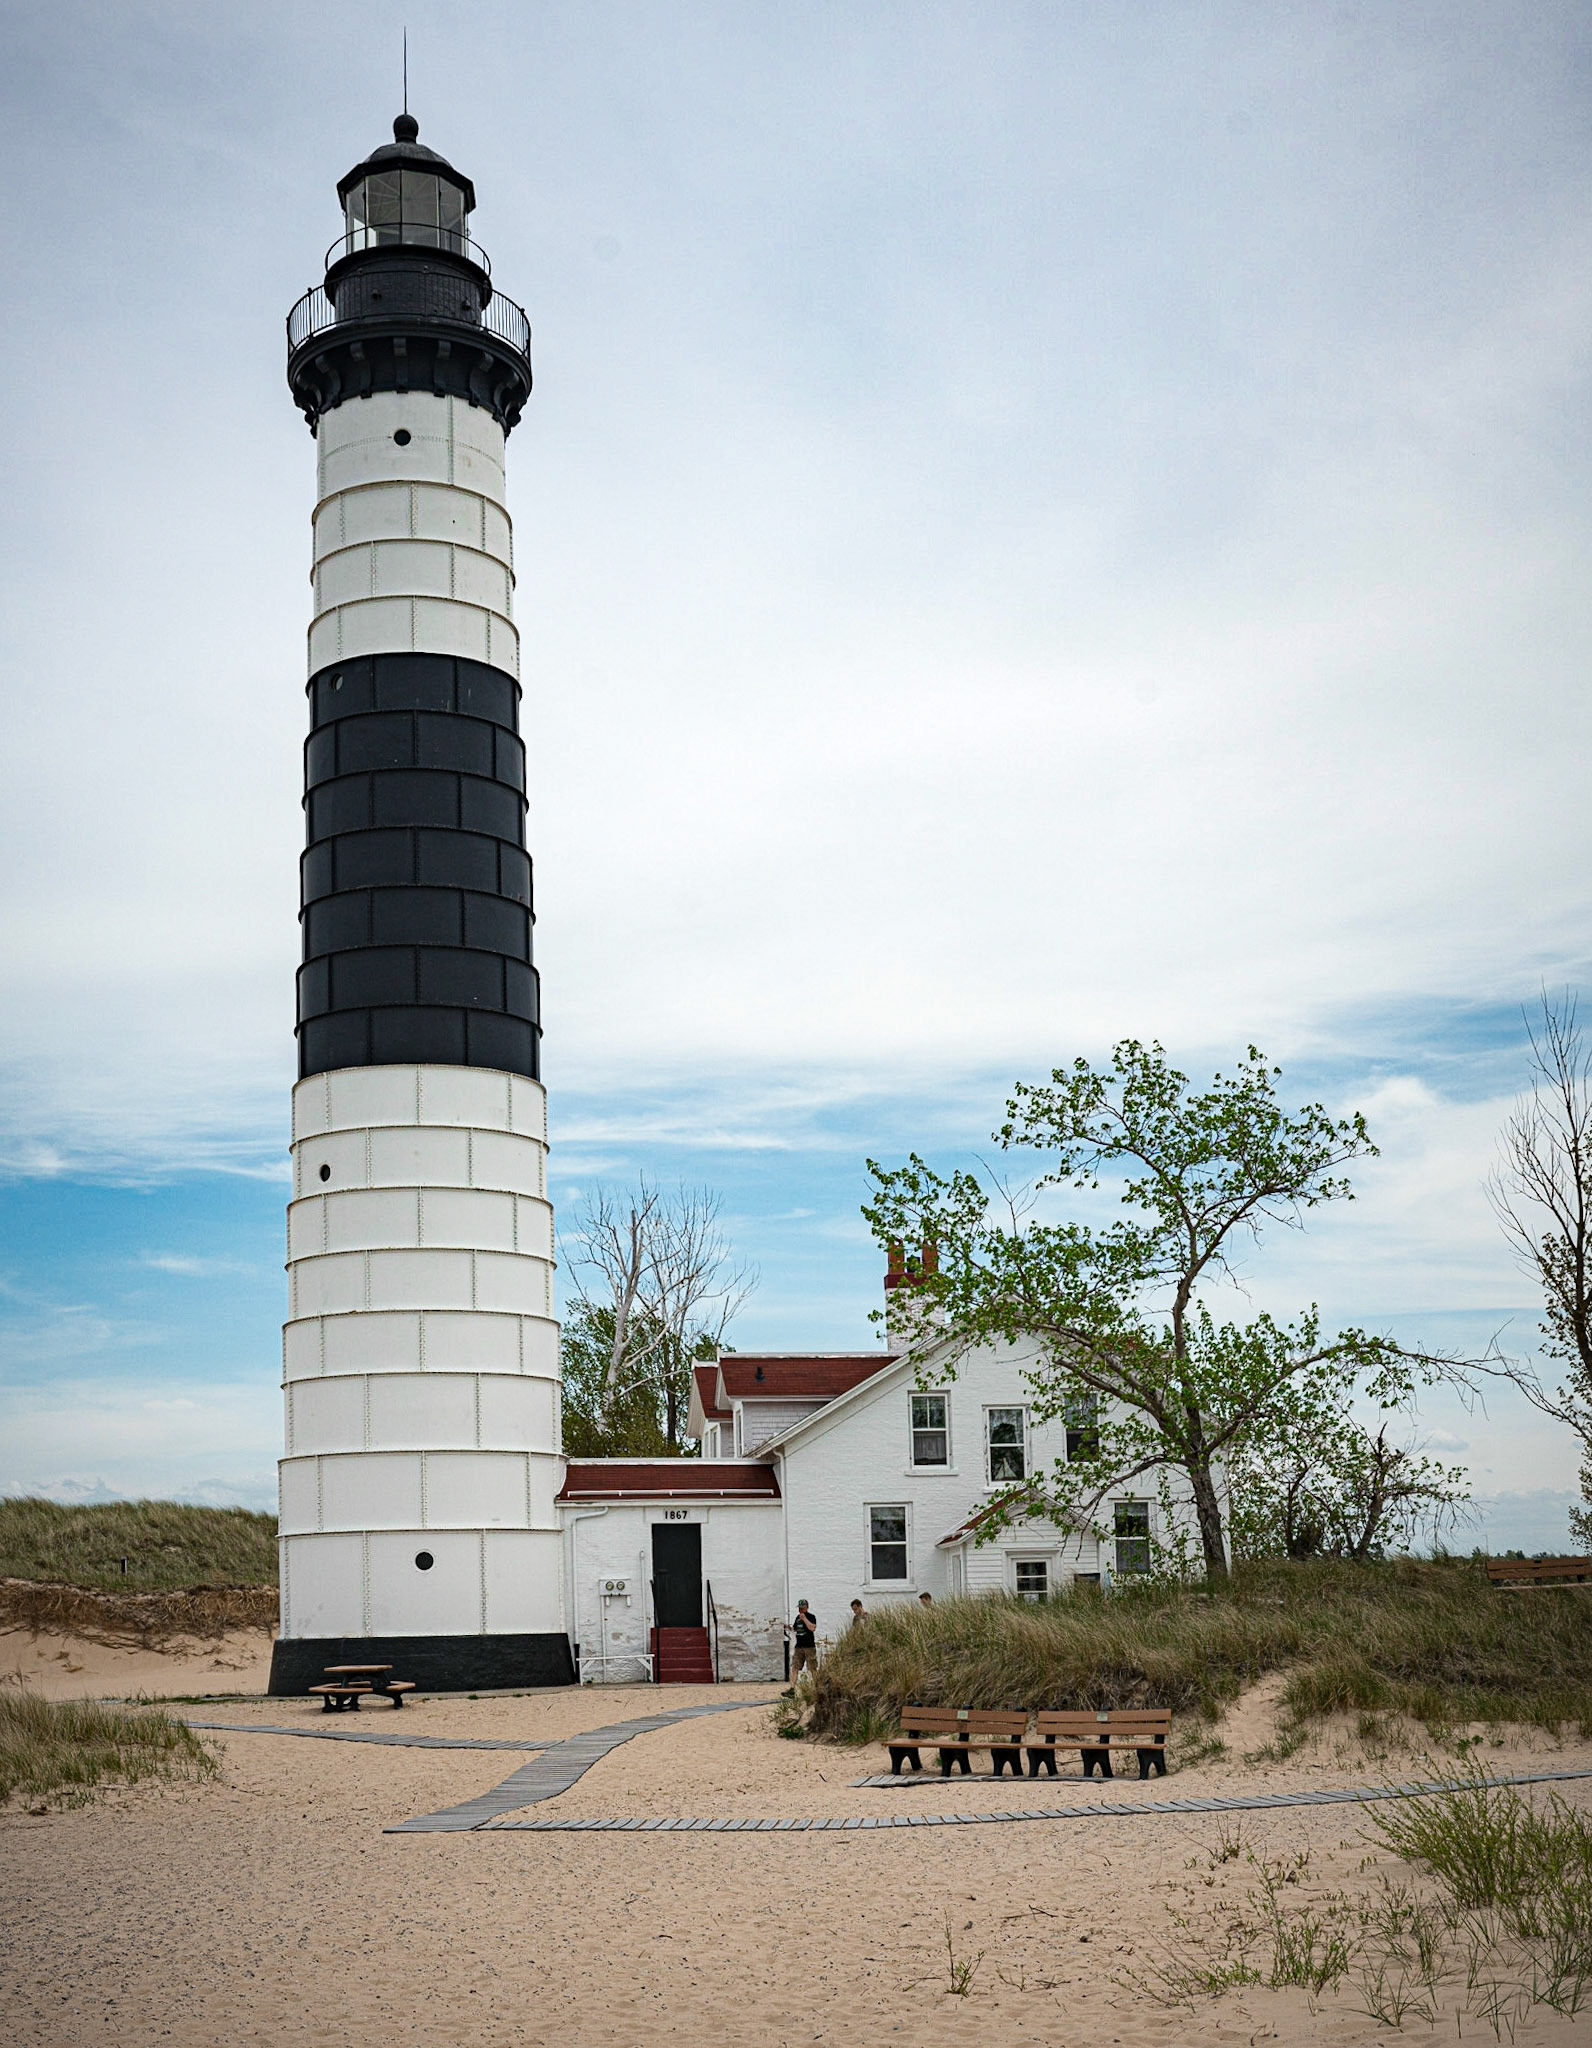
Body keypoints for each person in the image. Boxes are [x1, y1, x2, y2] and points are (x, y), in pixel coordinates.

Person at [789, 1599, 818, 1676]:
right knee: (795, 1667)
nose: (800, 1610)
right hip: (799, 1646)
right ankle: (792, 1687)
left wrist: (804, 1619)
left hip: (809, 1646)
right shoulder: (797, 1617)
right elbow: (795, 1629)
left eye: (802, 1608)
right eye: (799, 1608)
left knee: (812, 1668)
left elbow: (812, 1628)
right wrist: (788, 1628)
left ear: (807, 1607)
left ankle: (816, 1685)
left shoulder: (811, 1617)